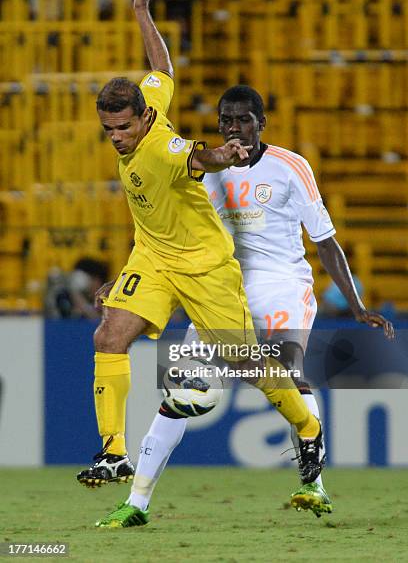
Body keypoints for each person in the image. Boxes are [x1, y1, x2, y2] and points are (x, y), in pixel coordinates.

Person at [77, 0, 326, 527]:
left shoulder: (163, 146)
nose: (116, 139)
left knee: (250, 362)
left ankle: (308, 429)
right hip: (155, 256)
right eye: (107, 131)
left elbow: (200, 158)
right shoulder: (152, 98)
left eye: (122, 129)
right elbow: (161, 66)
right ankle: (113, 451)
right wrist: (142, 11)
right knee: (109, 334)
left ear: (144, 119)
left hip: (206, 266)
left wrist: (226, 154)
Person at [107, 82, 395, 526]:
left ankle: (312, 484)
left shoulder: (291, 167)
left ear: (262, 123)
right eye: (226, 121)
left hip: (283, 284)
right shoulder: (204, 167)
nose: (234, 128)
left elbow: (325, 241)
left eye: (243, 120)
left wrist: (355, 304)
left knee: (286, 371)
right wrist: (127, 276)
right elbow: (160, 226)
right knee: (180, 391)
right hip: (219, 287)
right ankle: (136, 503)